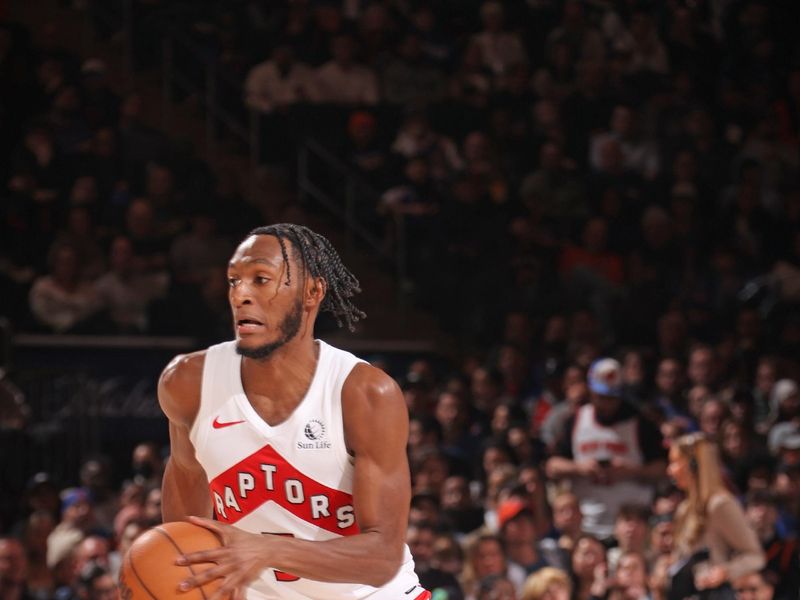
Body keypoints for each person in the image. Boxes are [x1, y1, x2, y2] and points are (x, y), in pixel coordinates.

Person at [156, 224, 428, 599]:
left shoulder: (363, 393)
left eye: (261, 279)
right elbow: (185, 537)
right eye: (234, 281)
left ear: (312, 292)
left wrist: (268, 551)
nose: (242, 294)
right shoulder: (187, 384)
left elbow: (382, 558)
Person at [546, 358, 666, 538]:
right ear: (591, 391)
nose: (607, 404)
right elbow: (552, 466)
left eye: (612, 398)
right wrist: (579, 468)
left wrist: (631, 471)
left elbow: (661, 468)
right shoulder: (576, 420)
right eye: (601, 397)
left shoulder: (640, 422)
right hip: (587, 524)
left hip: (632, 524)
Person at [666, 433, 765, 599]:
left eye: (675, 462)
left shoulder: (720, 505)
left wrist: (725, 571)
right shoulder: (684, 509)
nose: (670, 470)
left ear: (693, 465)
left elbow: (755, 556)